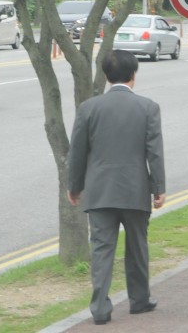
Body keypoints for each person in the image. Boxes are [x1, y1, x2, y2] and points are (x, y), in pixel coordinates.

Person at [67, 50, 166, 326]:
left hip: (99, 192)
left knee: (101, 250)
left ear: (107, 76)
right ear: (134, 74)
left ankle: (99, 308)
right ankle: (139, 300)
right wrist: (158, 187)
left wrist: (74, 186)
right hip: (135, 190)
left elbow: (77, 152)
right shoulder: (148, 107)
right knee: (137, 248)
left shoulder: (88, 108)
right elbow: (154, 153)